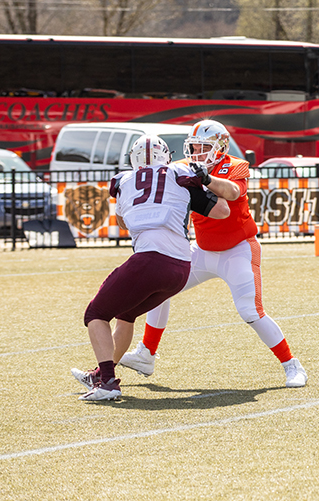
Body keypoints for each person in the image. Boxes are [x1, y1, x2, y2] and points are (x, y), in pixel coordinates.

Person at [119, 119, 309, 388]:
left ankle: (291, 364)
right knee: (160, 286)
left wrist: (206, 179)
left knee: (250, 311)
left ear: (221, 147)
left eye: (203, 147)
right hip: (202, 251)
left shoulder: (235, 165)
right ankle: (146, 354)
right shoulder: (183, 168)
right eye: (193, 147)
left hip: (238, 250)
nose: (197, 153)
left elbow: (232, 192)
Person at [70, 135, 229, 401]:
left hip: (149, 260)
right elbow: (222, 211)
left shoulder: (123, 181)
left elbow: (123, 222)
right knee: (126, 314)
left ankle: (107, 382)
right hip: (180, 269)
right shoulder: (181, 174)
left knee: (95, 314)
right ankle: (100, 374)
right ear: (166, 156)